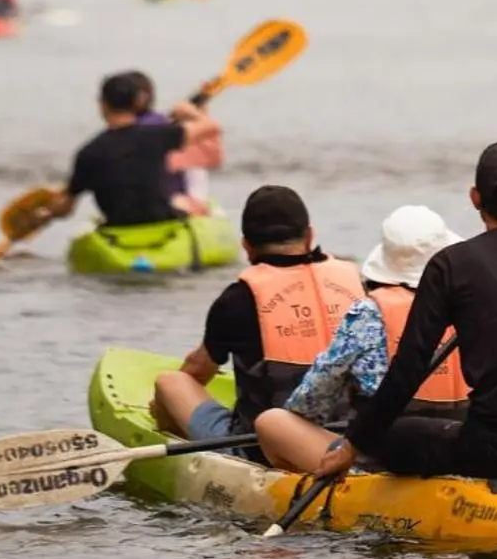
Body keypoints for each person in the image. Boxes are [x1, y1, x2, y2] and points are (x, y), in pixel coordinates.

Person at [313, 139, 497, 484]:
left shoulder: (452, 264)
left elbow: (409, 370)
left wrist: (353, 445)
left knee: (387, 433)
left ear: (475, 197)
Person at [254, 204, 465, 472]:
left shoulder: (368, 314)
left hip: (379, 464)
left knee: (272, 422)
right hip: (457, 456)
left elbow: (310, 404)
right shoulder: (473, 308)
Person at [149, 185, 363, 447]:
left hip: (259, 446)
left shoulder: (238, 299)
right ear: (309, 236)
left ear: (247, 247)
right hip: (350, 439)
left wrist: (159, 407)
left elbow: (197, 371)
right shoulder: (357, 284)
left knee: (171, 382)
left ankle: (175, 441)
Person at [47, 70, 220, 232]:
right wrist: (190, 112)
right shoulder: (159, 135)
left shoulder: (88, 153)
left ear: (102, 105)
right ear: (137, 102)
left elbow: (66, 208)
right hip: (162, 220)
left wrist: (48, 212)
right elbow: (211, 127)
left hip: (118, 227)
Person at [129, 70, 222, 216]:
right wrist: (197, 116)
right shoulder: (165, 130)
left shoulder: (111, 138)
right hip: (177, 204)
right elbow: (213, 154)